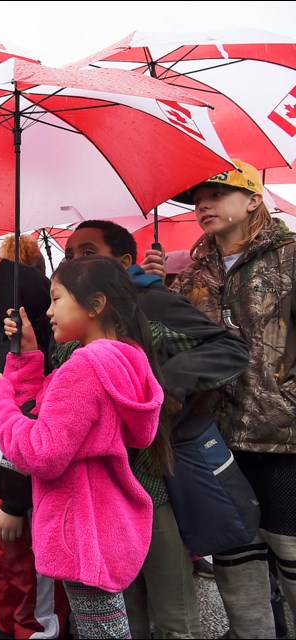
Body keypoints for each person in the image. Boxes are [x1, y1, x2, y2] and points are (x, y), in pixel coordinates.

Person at [62, 219, 250, 639]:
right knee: (122, 614)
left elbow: (230, 348)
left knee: (172, 612)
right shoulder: (68, 322)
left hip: (151, 479)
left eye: (88, 253)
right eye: (70, 255)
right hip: (99, 491)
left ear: (124, 262)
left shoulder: (151, 304)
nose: (76, 262)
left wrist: (166, 385)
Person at [0, 256, 164, 639]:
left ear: (96, 305)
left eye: (56, 298)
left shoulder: (84, 367)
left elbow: (41, 453)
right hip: (100, 522)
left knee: (103, 632)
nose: (48, 311)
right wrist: (28, 359)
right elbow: (53, 419)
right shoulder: (123, 360)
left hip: (79, 529)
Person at [165, 160, 296, 639]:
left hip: (283, 438)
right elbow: (171, 342)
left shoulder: (291, 256)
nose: (202, 204)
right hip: (213, 438)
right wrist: (155, 288)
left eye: (216, 193)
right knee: (235, 558)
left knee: (291, 555)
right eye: (196, 198)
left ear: (254, 198)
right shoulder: (193, 275)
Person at [0, 260, 70, 639]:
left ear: (10, 299)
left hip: (11, 489)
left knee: (27, 584)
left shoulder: (27, 356)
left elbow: (30, 424)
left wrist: (15, 501)